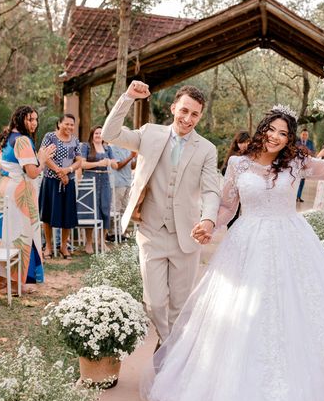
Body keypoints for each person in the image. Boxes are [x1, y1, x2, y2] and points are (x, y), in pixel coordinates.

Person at [143, 105, 324, 401]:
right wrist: (209, 225)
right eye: (273, 130)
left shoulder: (296, 162)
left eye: (284, 133)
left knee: (291, 312)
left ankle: (297, 394)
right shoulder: (238, 163)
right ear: (263, 129)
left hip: (290, 242)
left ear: (289, 139)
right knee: (241, 314)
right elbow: (226, 205)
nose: (277, 137)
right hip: (245, 244)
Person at [101, 81, 221, 345]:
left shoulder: (207, 150)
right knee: (154, 303)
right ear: (173, 108)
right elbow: (109, 134)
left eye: (194, 114)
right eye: (184, 111)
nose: (188, 119)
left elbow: (212, 191)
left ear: (200, 116)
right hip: (152, 231)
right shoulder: (149, 134)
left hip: (186, 235)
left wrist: (208, 220)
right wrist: (128, 97)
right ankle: (168, 344)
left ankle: (167, 353)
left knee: (180, 306)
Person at [0, 106, 56, 293]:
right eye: (30, 119)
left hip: (6, 190)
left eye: (35, 119)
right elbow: (32, 172)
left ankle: (2, 280)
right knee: (21, 236)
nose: (34, 123)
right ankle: (15, 283)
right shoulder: (22, 141)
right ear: (20, 119)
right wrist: (42, 159)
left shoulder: (8, 137)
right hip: (19, 195)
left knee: (9, 234)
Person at [38, 114, 82, 259]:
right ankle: (48, 247)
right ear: (59, 123)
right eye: (67, 124)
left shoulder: (75, 140)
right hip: (51, 181)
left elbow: (79, 161)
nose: (69, 127)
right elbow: (44, 156)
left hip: (68, 182)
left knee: (67, 215)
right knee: (47, 215)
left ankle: (64, 247)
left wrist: (67, 171)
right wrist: (59, 171)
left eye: (72, 124)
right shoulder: (50, 137)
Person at [79, 126, 118, 254]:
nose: (98, 135)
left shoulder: (108, 148)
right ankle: (89, 243)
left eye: (101, 133)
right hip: (90, 179)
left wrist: (110, 162)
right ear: (92, 134)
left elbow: (115, 165)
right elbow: (82, 164)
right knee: (90, 210)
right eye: (96, 133)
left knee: (105, 209)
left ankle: (102, 241)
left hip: (105, 181)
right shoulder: (86, 147)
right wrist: (98, 163)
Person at [220, 131, 251, 227]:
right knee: (232, 214)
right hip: (235, 189)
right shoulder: (233, 157)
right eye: (241, 142)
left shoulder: (254, 155)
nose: (244, 145)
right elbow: (224, 171)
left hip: (248, 189)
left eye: (247, 142)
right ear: (237, 144)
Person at [110, 135, 138, 224]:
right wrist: (130, 156)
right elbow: (117, 166)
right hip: (118, 183)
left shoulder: (128, 148)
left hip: (127, 182)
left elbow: (132, 166)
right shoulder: (113, 148)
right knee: (115, 208)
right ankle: (112, 233)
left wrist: (136, 158)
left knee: (125, 209)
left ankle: (121, 233)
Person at [296, 127, 315, 202]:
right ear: (300, 135)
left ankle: (299, 197)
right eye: (303, 134)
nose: (304, 136)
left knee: (302, 181)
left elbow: (313, 153)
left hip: (306, 165)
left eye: (306, 135)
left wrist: (308, 150)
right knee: (296, 181)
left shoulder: (310, 143)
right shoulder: (296, 142)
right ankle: (295, 196)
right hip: (296, 164)